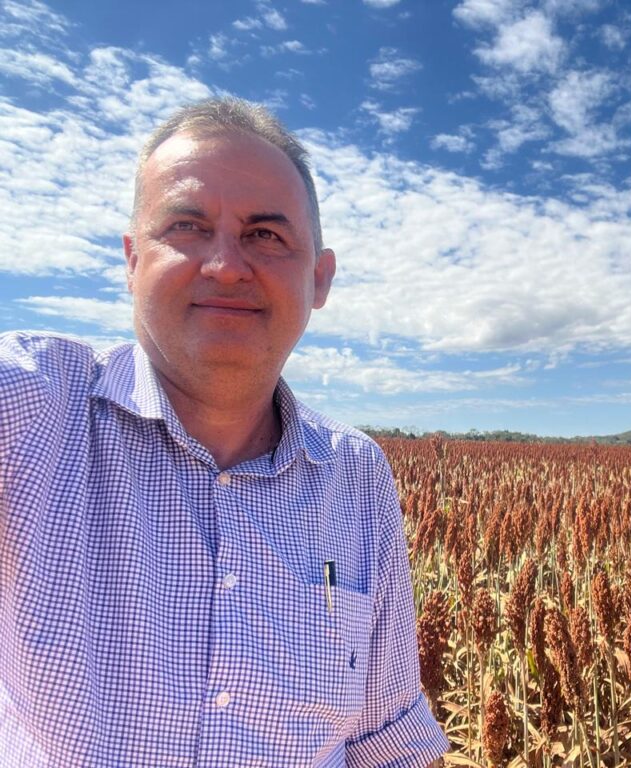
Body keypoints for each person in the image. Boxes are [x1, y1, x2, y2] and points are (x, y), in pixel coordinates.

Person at [0, 98, 448, 767]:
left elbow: (387, 744)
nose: (227, 265)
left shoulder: (356, 477)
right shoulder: (31, 409)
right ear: (131, 260)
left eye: (266, 235)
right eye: (187, 226)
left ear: (319, 280)